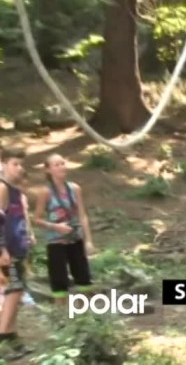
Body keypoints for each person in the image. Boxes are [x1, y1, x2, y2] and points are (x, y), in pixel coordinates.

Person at [33, 154, 95, 305]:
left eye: (63, 163)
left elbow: (82, 215)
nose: (61, 167)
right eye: (56, 165)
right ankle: (60, 313)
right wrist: (55, 227)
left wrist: (88, 241)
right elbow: (36, 219)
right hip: (56, 241)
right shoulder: (45, 192)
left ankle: (86, 311)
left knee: (83, 276)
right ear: (48, 170)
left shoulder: (75, 189)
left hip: (75, 238)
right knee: (59, 279)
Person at [0, 148, 34, 360]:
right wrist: (2, 249)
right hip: (7, 252)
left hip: (18, 249)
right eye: (15, 164)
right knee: (14, 290)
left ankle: (12, 337)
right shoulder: (2, 188)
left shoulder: (15, 191)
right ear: (4, 164)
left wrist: (28, 238)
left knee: (17, 292)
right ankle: (3, 338)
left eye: (22, 164)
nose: (19, 168)